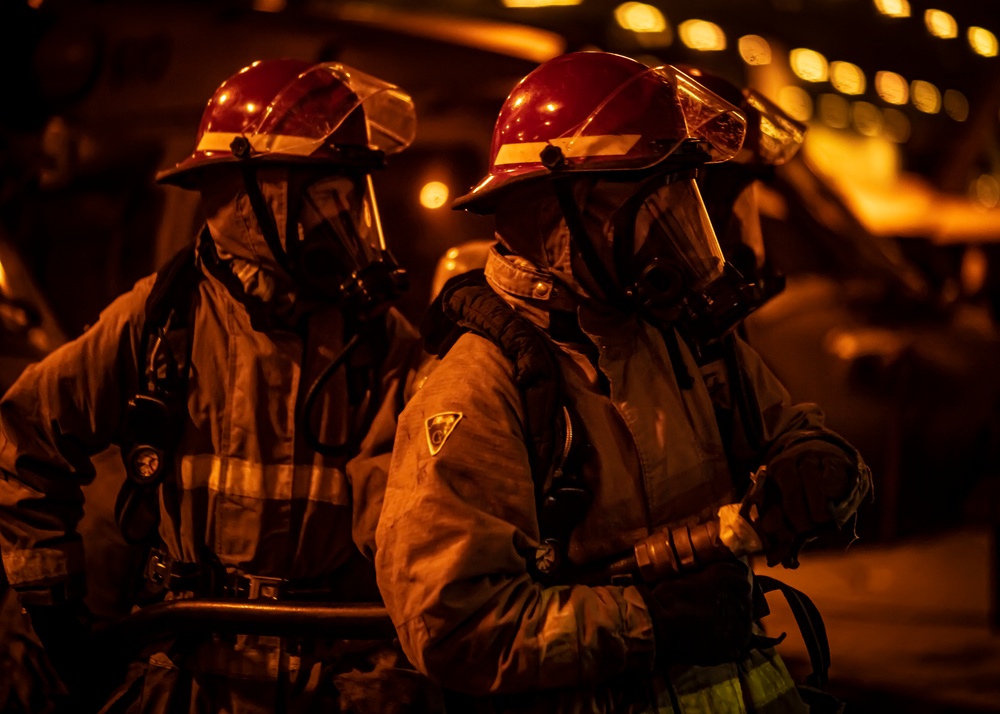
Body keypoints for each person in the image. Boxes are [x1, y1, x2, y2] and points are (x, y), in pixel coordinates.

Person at [375, 51, 870, 713]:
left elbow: (800, 434)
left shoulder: (677, 339)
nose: (679, 237)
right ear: (563, 214)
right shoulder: (477, 391)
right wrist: (648, 623)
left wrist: (821, 464)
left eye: (683, 205)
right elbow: (455, 628)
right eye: (655, 207)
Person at [0, 58, 432, 713]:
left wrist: (392, 662)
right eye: (326, 198)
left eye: (352, 200)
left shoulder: (379, 340)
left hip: (328, 677)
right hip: (188, 674)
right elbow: (24, 438)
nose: (345, 223)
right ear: (253, 203)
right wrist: (59, 620)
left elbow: (415, 530)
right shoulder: (159, 322)